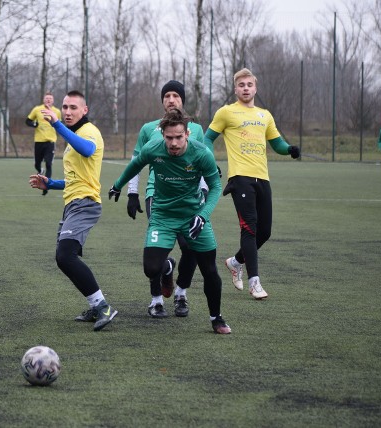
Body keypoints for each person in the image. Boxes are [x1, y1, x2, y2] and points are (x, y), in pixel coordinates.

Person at [109, 109, 231, 334]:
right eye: (169, 138)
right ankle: (167, 270)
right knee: (150, 268)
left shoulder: (201, 153)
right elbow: (135, 165)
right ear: (163, 135)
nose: (173, 143)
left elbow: (215, 188)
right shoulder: (152, 149)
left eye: (178, 137)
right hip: (163, 215)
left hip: (193, 216)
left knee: (209, 270)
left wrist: (202, 216)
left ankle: (217, 318)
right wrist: (118, 184)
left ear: (187, 134)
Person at [204, 68, 301, 300]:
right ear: (235, 89)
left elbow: (276, 144)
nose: (245, 88)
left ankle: (235, 261)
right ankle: (254, 282)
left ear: (255, 88)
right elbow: (207, 139)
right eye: (241, 85)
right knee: (249, 228)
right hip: (240, 179)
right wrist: (210, 163)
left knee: (264, 232)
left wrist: (289, 150)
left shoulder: (264, 115)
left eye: (249, 84)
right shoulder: (226, 113)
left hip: (262, 178)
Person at [28, 90, 117, 331]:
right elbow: (76, 180)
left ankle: (103, 306)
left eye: (73, 108)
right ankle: (95, 305)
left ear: (84, 110)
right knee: (66, 258)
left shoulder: (89, 132)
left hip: (86, 203)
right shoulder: (74, 134)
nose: (67, 112)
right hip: (73, 203)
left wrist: (57, 125)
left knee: (65, 256)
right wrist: (51, 183)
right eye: (65, 107)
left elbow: (87, 150)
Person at [125, 80, 211, 318]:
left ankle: (181, 293)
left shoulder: (196, 129)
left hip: (190, 198)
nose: (171, 99)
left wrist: (203, 192)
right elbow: (135, 163)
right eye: (167, 96)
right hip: (158, 196)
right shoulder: (148, 129)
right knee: (156, 253)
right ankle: (156, 300)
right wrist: (132, 193)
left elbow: (204, 164)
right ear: (162, 101)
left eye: (176, 95)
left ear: (182, 100)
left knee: (191, 247)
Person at [26, 92, 61, 195]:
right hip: (39, 141)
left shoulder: (57, 111)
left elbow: (59, 124)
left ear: (53, 100)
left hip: (50, 142)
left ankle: (47, 185)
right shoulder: (37, 109)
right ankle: (40, 170)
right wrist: (34, 124)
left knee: (49, 164)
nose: (48, 100)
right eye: (47, 98)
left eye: (50, 98)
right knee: (37, 163)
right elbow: (27, 121)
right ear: (43, 100)